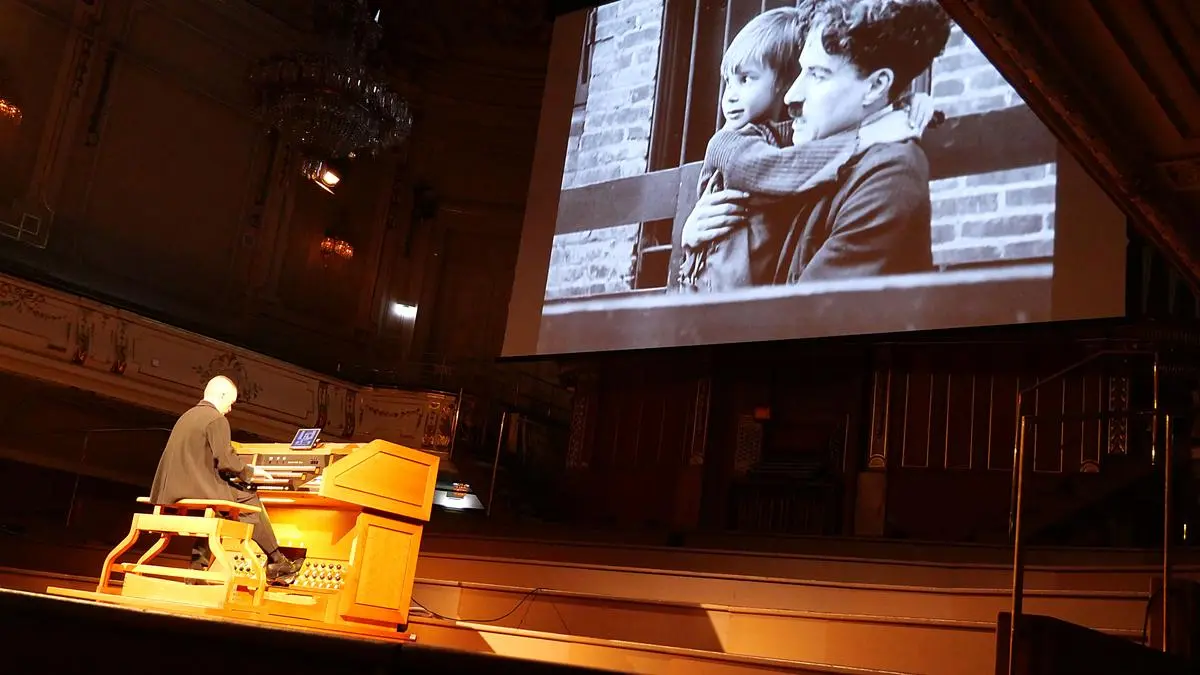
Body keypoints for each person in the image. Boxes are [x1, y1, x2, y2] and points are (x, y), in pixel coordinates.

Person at [685, 0, 952, 284]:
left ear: (876, 86)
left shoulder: (890, 172)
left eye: (817, 74)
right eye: (801, 71)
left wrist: (904, 106)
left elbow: (807, 308)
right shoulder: (786, 143)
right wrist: (689, 238)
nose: (791, 96)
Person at [149, 375, 300, 583]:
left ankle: (197, 568)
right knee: (248, 498)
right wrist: (250, 472)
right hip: (197, 487)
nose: (229, 409)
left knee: (218, 511)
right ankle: (277, 561)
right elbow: (226, 461)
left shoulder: (187, 415)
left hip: (172, 488)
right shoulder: (216, 419)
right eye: (230, 403)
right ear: (221, 395)